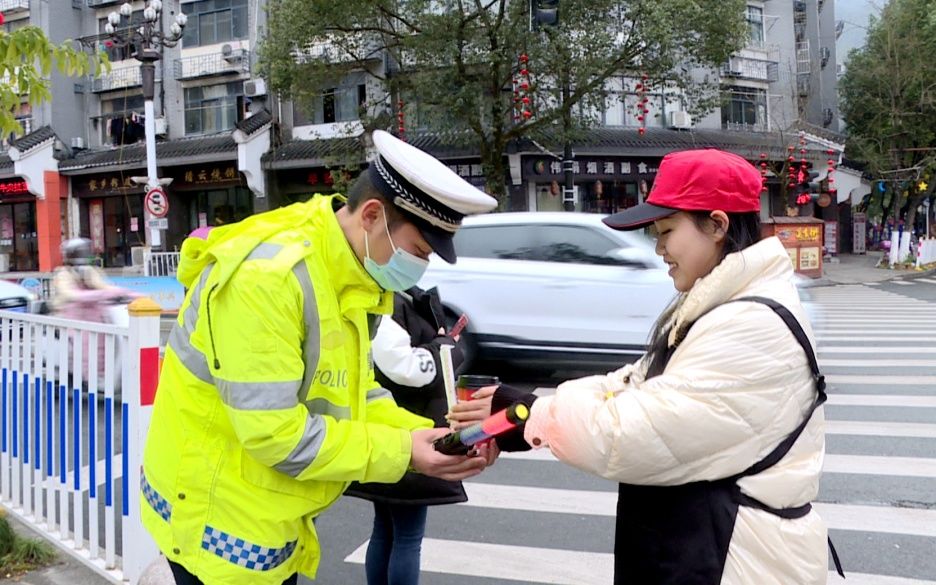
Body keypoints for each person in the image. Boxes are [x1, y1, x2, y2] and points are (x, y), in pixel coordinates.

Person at [450, 149, 839, 585]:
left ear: (717, 225)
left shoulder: (750, 324)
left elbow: (633, 432)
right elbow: (637, 383)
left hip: (735, 561)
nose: (658, 249)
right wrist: (525, 414)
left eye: (666, 231)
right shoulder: (722, 303)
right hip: (712, 550)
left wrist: (533, 417)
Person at [142, 130, 498, 585]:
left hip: (266, 515)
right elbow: (275, 435)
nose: (419, 269)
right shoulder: (269, 282)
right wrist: (405, 452)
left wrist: (432, 436)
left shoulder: (350, 272)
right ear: (372, 215)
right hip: (217, 524)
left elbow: (354, 390)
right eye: (418, 252)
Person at [345, 286, 468, 585]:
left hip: (389, 430)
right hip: (409, 430)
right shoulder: (384, 302)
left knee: (385, 528)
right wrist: (443, 345)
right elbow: (410, 370)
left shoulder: (391, 296)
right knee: (408, 537)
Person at [50, 238, 114, 314]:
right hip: (68, 316)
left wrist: (122, 293)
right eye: (79, 253)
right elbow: (68, 293)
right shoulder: (63, 274)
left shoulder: (90, 270)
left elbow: (101, 284)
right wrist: (97, 295)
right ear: (70, 255)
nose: (83, 255)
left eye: (85, 252)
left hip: (92, 315)